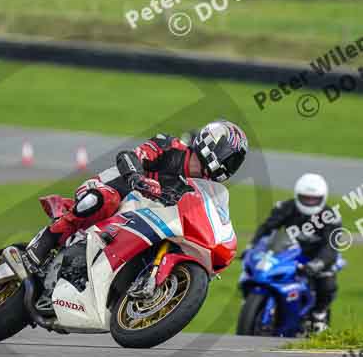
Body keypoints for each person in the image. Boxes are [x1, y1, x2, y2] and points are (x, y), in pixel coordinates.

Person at [25, 120, 248, 267]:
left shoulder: (203, 186)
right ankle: (46, 241)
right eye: (230, 157)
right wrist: (138, 179)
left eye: (235, 162)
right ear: (212, 144)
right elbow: (128, 156)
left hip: (145, 219)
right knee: (104, 199)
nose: (230, 165)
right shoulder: (170, 147)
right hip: (116, 191)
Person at [248, 173, 341, 332]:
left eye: (314, 199)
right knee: (255, 271)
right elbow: (267, 228)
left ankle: (319, 314)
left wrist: (317, 264)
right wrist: (253, 247)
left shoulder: (331, 217)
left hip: (318, 257)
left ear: (323, 198)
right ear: (297, 195)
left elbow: (331, 247)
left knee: (327, 281)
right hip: (289, 253)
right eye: (305, 198)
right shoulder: (285, 207)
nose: (310, 202)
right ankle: (254, 305)